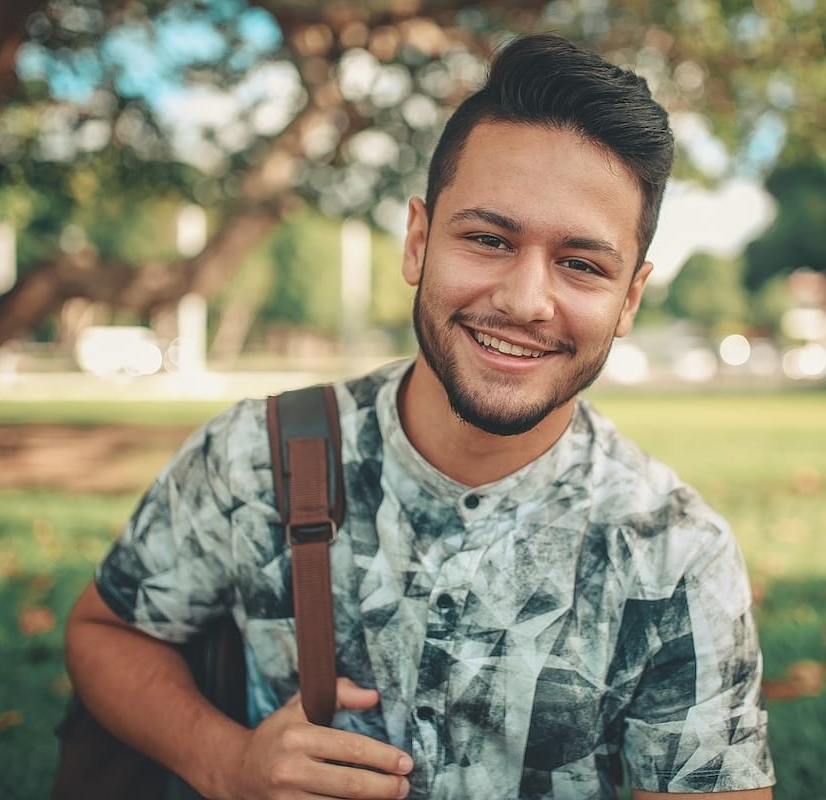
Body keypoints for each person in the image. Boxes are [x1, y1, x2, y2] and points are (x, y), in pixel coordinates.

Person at [64, 33, 775, 800]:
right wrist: (227, 764)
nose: (524, 301)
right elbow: (108, 631)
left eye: (580, 264)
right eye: (489, 239)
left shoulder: (674, 555)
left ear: (629, 298)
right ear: (418, 242)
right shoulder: (255, 455)